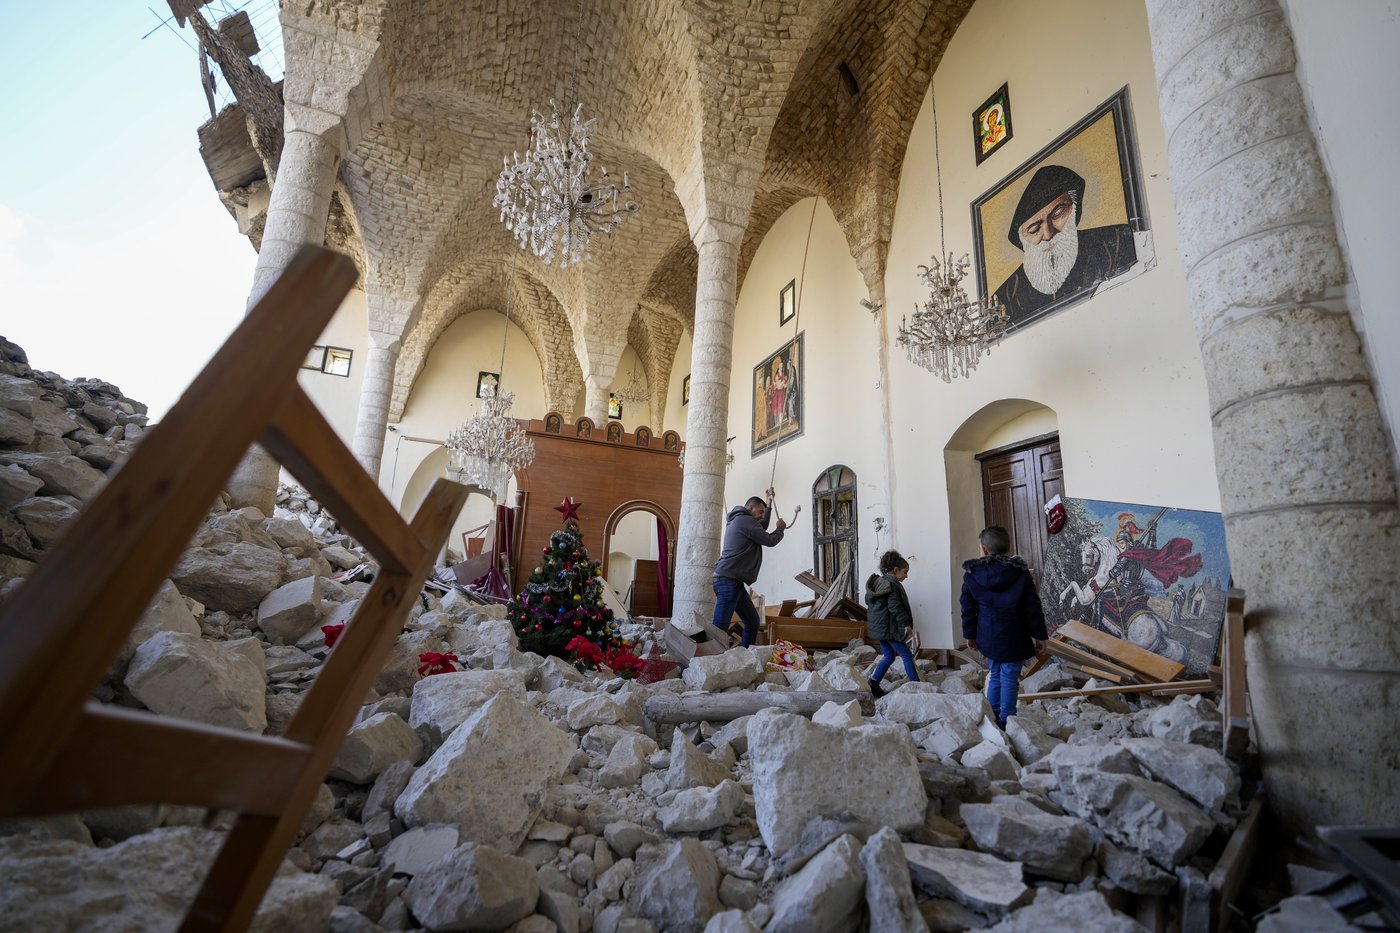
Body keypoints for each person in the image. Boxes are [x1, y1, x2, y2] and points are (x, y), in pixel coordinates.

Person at [992, 164, 1137, 327]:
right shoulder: (1005, 297)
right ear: (1023, 240)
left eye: (1058, 213)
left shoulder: (1118, 241)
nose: (1048, 234)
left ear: (1075, 209)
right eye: (1033, 229)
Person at [960, 526, 1048, 729]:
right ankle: (1007, 719)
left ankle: (993, 714)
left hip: (988, 633)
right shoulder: (1020, 572)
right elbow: (1032, 606)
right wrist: (1040, 635)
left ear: (983, 549)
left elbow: (967, 608)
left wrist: (970, 634)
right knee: (1009, 675)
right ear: (1009, 547)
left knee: (996, 672)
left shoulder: (973, 574)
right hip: (1015, 634)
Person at [712, 488, 787, 647]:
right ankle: (706, 663)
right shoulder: (744, 521)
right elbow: (769, 539)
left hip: (732, 581)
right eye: (759, 512)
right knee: (718, 630)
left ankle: (745, 658)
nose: (761, 516)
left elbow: (762, 527)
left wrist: (768, 504)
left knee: (752, 621)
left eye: (762, 513)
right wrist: (780, 528)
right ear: (750, 508)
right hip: (728, 581)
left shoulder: (740, 520)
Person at [864, 550, 921, 698]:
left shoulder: (878, 583)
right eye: (905, 572)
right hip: (889, 628)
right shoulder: (892, 585)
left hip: (880, 629)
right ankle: (917, 687)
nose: (907, 575)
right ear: (895, 570)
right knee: (906, 655)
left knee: (889, 656)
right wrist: (905, 624)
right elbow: (895, 607)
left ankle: (874, 683)